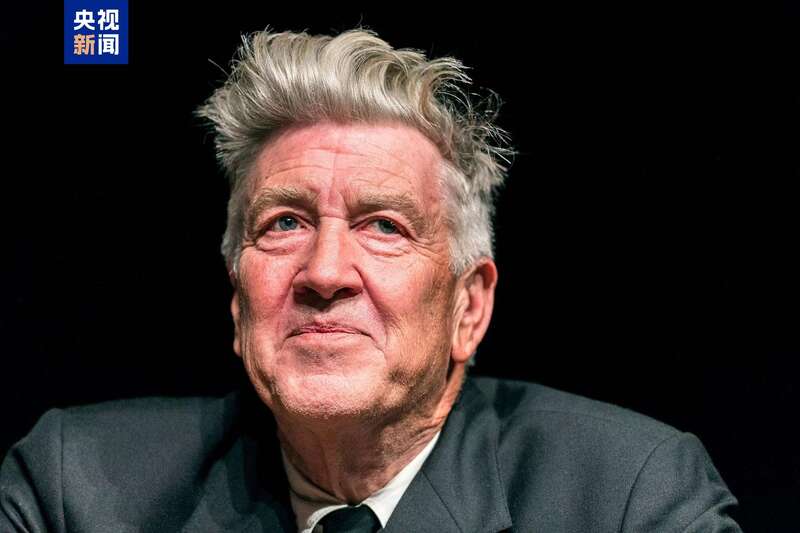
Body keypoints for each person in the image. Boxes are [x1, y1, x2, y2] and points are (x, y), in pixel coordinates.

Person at [0, 28, 741, 532]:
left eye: (383, 226)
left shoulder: (630, 498)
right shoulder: (77, 489)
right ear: (236, 299)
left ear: (469, 307)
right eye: (284, 223)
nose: (324, 273)